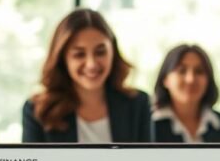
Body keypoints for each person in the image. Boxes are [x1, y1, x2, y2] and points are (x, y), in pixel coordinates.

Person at [23, 8, 151, 143]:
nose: (91, 64)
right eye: (79, 54)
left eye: (100, 52)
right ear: (63, 59)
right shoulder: (37, 110)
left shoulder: (138, 104)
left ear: (113, 52)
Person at [151, 44, 220, 143]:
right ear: (165, 79)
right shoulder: (150, 124)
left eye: (199, 71)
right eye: (182, 71)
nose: (190, 79)